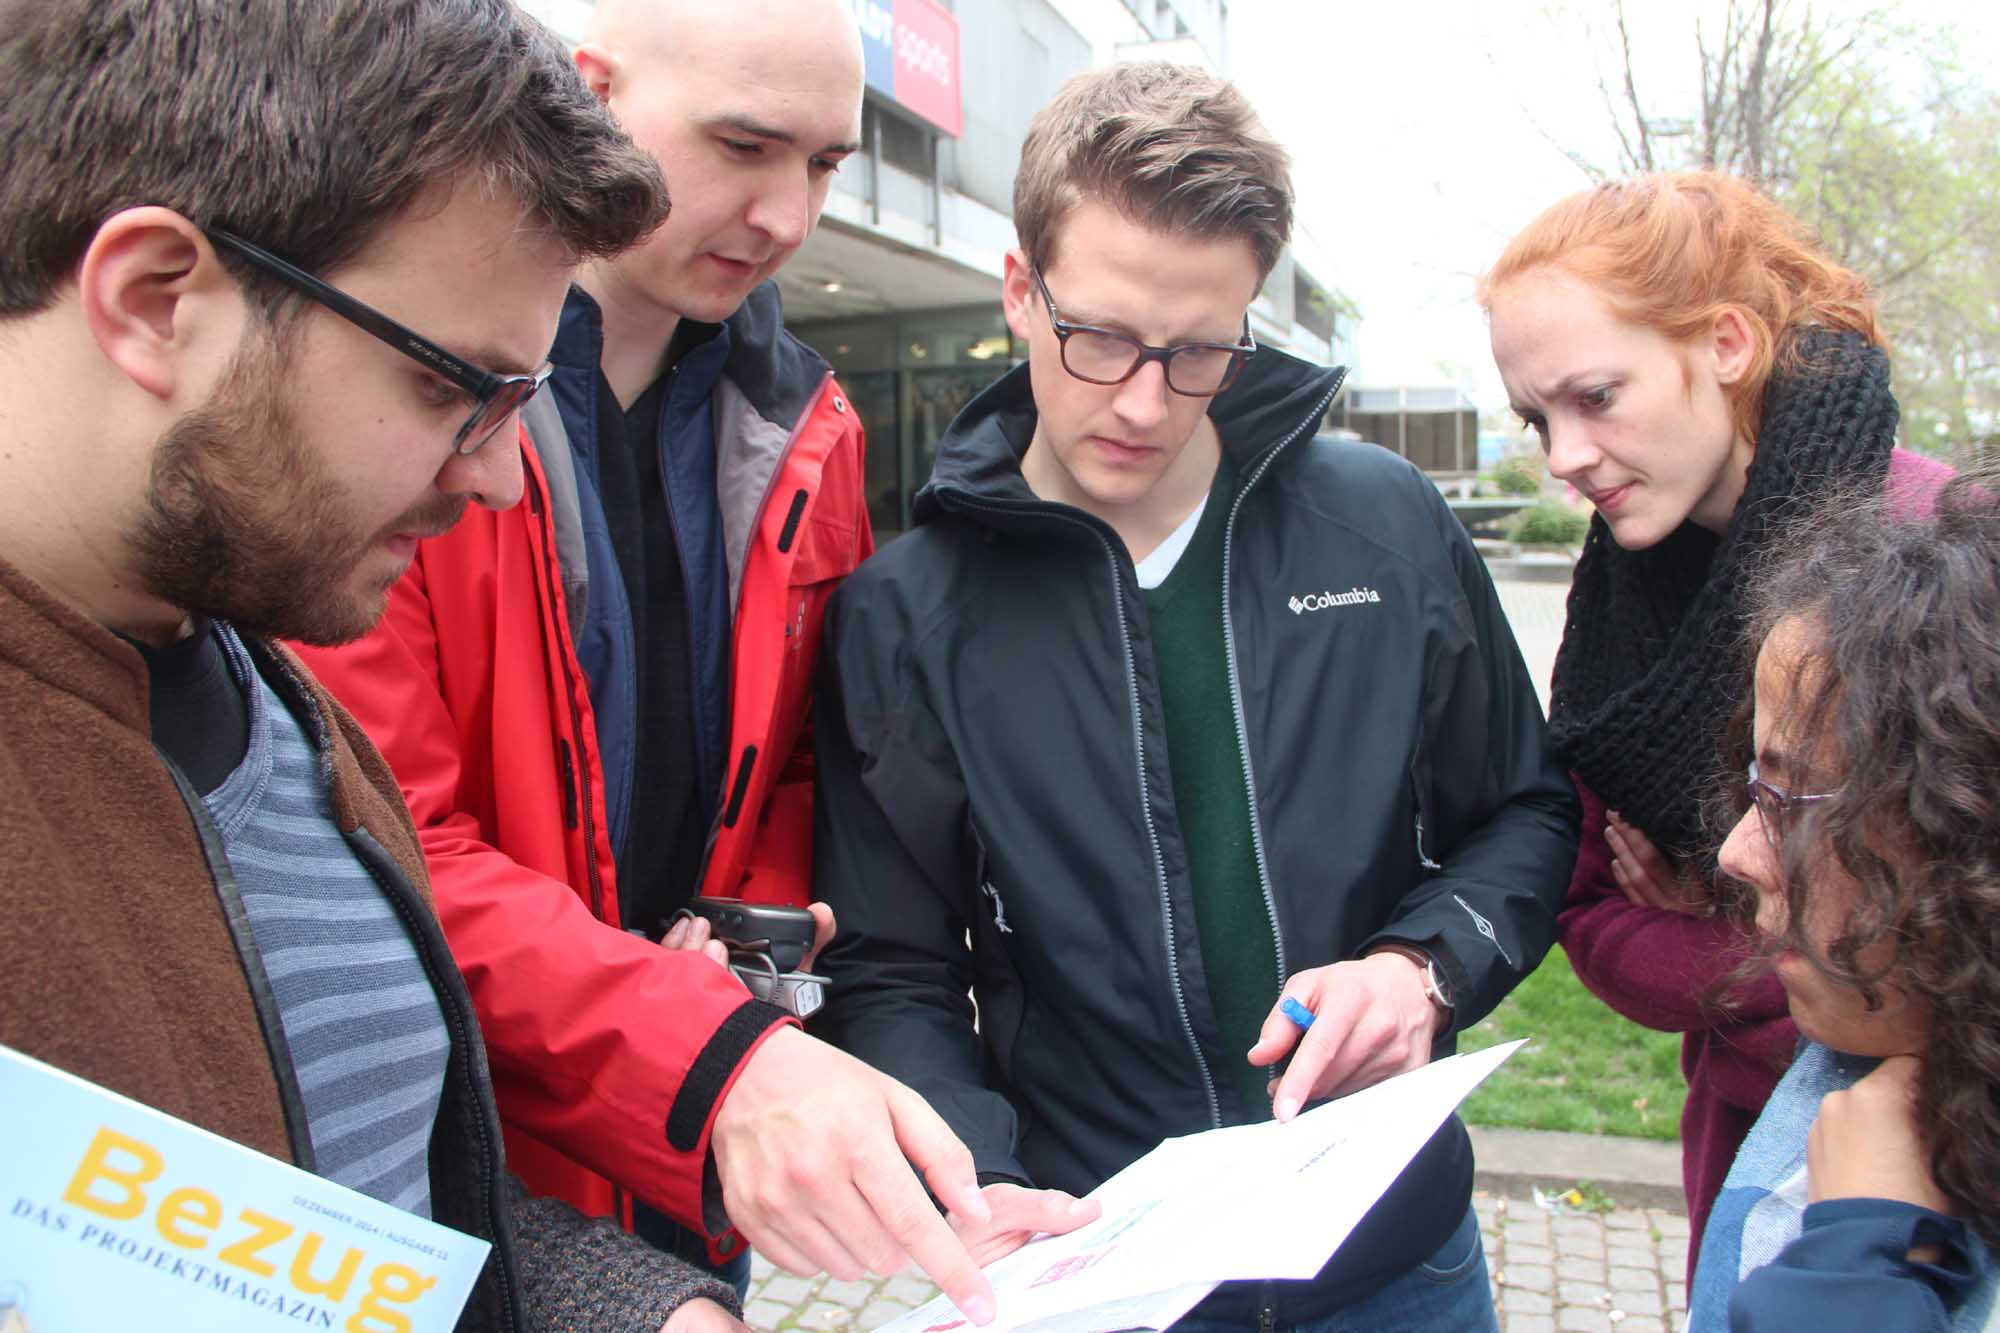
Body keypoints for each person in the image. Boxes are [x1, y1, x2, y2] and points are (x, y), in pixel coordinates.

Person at [0, 0, 750, 1328]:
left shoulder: (290, 722)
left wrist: (641, 1310)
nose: (502, 479)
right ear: (155, 301)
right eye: (450, 387)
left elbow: (369, 1220)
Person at [813, 62, 1580, 1330]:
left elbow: (1525, 813)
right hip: (1102, 1266)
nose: (1140, 398)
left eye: (1197, 351)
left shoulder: (1383, 528)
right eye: (1099, 335)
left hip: (1396, 1256)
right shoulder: (903, 615)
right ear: (1019, 290)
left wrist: (1420, 970)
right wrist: (979, 1177)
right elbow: (891, 968)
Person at [294, 0, 1020, 1314]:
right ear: (592, 93)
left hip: (699, 1126)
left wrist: (741, 952)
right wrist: (694, 1035)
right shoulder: (402, 406)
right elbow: (379, 838)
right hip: (456, 1146)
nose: (790, 217)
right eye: (744, 146)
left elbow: (800, 762)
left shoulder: (817, 426)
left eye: (823, 165)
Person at [1480, 169, 1954, 1254]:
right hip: (1736, 1145)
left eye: (1593, 397)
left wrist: (1709, 929)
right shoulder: (1620, 600)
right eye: (1534, 415)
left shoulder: (1929, 554)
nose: (1562, 457)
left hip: (1937, 1152)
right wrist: (1779, 954)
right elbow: (1589, 910)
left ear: (1726, 344)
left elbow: (1949, 940)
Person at [1688, 468, 2000, 1330]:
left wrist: (1856, 1267)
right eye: (1755, 788)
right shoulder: (1861, 1068)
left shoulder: (1868, 1221)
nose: (1735, 851)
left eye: (1794, 802)